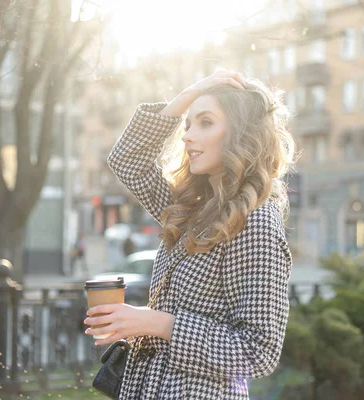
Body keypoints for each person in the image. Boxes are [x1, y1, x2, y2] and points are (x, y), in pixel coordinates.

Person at [84, 71, 296, 399]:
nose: (187, 136)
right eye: (188, 124)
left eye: (206, 123)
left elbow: (259, 352)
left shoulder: (256, 222)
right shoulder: (190, 207)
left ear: (242, 134)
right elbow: (127, 161)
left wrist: (155, 323)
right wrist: (193, 92)